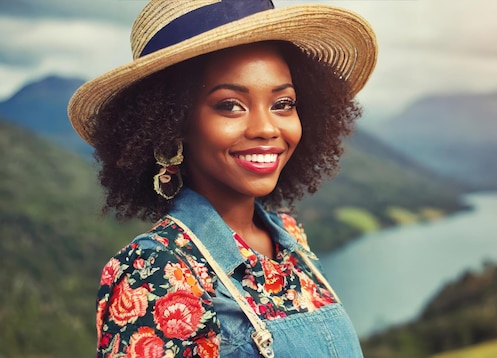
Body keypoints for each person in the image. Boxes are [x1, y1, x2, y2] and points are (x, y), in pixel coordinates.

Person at [67, 0, 377, 356]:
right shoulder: (155, 272)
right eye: (230, 105)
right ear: (174, 124)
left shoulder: (290, 238)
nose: (266, 128)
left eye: (283, 103)